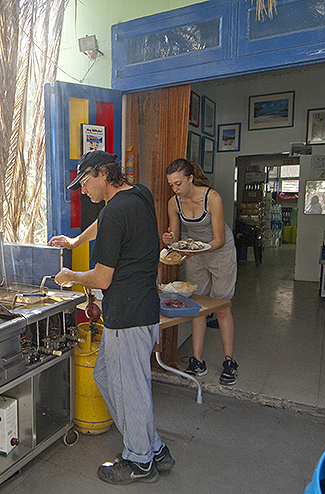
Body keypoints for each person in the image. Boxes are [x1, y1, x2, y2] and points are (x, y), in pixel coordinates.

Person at [49, 150, 174, 485]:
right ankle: (154, 448)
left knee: (128, 389)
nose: (83, 189)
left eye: (85, 181)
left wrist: (71, 276)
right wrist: (76, 240)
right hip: (146, 310)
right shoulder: (139, 194)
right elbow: (105, 221)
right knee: (109, 377)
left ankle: (139, 460)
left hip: (127, 317)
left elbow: (102, 278)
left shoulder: (117, 212)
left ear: (103, 173)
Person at [162, 158, 239, 385]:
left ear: (190, 178)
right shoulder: (174, 203)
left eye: (178, 184)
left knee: (221, 306)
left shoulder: (212, 198)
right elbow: (175, 238)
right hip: (194, 252)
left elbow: (218, 239)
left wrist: (194, 252)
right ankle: (197, 360)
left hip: (220, 253)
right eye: (171, 185)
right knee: (197, 308)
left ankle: (229, 361)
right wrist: (168, 240)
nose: (175, 189)